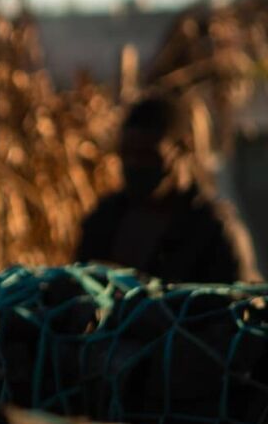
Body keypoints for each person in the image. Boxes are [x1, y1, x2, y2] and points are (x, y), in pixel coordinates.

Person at [76, 92, 260, 283]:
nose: (135, 165)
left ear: (182, 149)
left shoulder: (211, 228)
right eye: (127, 155)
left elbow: (237, 302)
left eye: (147, 155)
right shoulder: (106, 218)